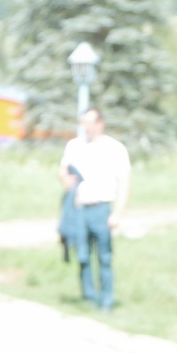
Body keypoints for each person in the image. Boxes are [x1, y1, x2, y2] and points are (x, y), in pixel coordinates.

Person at [59, 108, 131, 310]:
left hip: (101, 208)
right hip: (79, 209)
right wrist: (65, 179)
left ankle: (106, 301)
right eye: (83, 123)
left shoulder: (114, 148)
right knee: (82, 255)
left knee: (104, 257)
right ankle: (88, 298)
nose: (86, 127)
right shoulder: (74, 146)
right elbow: (63, 170)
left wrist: (118, 213)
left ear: (100, 123)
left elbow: (124, 182)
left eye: (89, 123)